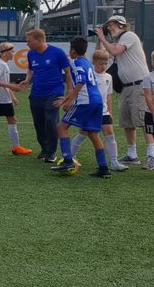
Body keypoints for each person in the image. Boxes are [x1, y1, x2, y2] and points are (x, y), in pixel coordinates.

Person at [50, 37, 109, 178]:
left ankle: (68, 160)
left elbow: (81, 80)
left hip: (85, 101)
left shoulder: (75, 62)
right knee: (93, 134)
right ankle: (104, 168)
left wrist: (67, 99)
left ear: (72, 50)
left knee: (61, 127)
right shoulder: (87, 62)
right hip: (97, 101)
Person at [95, 15, 149, 165]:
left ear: (122, 26)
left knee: (143, 120)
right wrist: (100, 39)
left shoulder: (129, 36)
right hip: (126, 87)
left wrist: (103, 38)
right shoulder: (116, 42)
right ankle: (132, 154)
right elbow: (99, 56)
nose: (110, 28)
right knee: (127, 122)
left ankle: (151, 153)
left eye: (112, 25)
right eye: (108, 26)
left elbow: (115, 51)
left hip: (138, 84)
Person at [12, 28, 72, 162]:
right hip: (36, 93)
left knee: (51, 121)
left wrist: (69, 93)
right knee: (39, 123)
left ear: (39, 40)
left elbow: (68, 73)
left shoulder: (57, 52)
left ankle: (51, 152)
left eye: (29, 41)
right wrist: (27, 80)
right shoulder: (31, 54)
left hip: (54, 92)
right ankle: (44, 149)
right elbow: (30, 70)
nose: (27, 44)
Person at [70, 49, 125, 171]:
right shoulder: (90, 75)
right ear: (93, 62)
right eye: (101, 63)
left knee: (110, 134)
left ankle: (114, 162)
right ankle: (70, 157)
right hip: (90, 108)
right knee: (82, 134)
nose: (104, 66)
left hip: (103, 110)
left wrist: (109, 111)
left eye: (106, 63)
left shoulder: (109, 77)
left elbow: (108, 95)